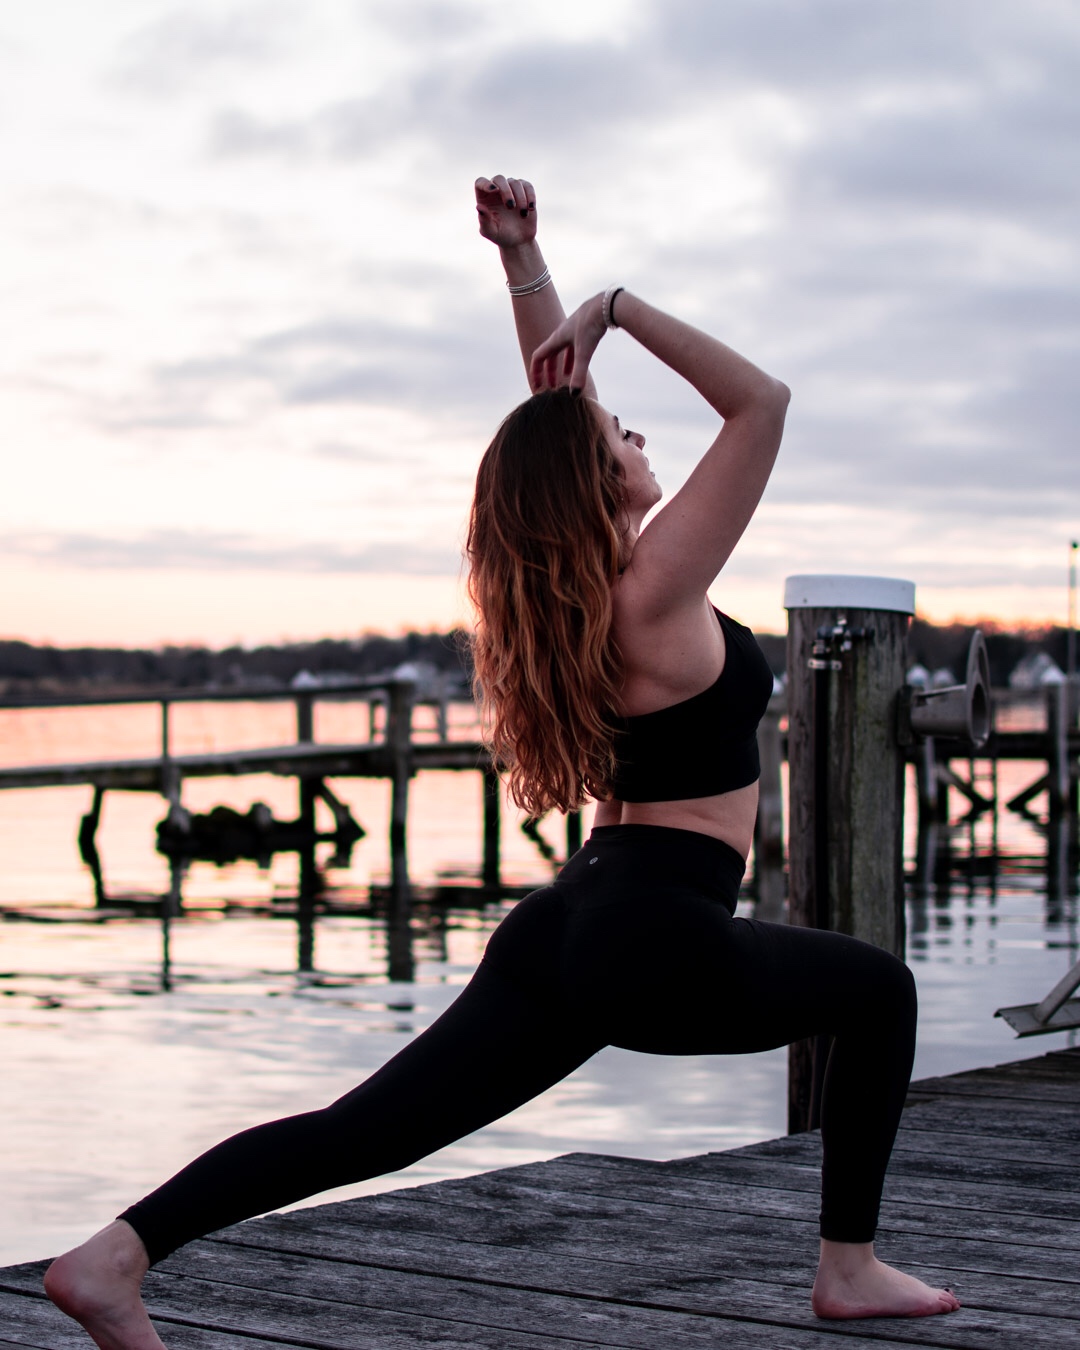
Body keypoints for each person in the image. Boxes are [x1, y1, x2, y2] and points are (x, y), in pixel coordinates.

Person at [44, 175, 960, 1348]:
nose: (631, 429)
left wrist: (528, 270)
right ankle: (850, 1267)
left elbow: (554, 418)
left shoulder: (577, 604)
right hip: (658, 934)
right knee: (879, 992)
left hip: (571, 922)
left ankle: (113, 1257)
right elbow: (762, 404)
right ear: (595, 487)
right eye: (618, 436)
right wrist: (616, 302)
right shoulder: (651, 596)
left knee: (360, 1129)